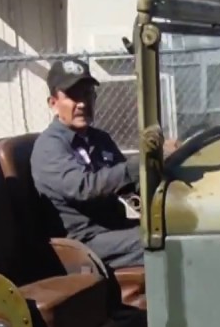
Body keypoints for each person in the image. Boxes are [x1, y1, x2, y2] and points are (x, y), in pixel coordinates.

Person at [30, 58, 171, 270]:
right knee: (168, 242)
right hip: (83, 242)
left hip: (113, 229)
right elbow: (84, 187)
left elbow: (129, 185)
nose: (82, 103)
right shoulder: (49, 146)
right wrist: (140, 164)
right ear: (53, 103)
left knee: (179, 227)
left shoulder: (99, 139)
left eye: (87, 94)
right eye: (73, 96)